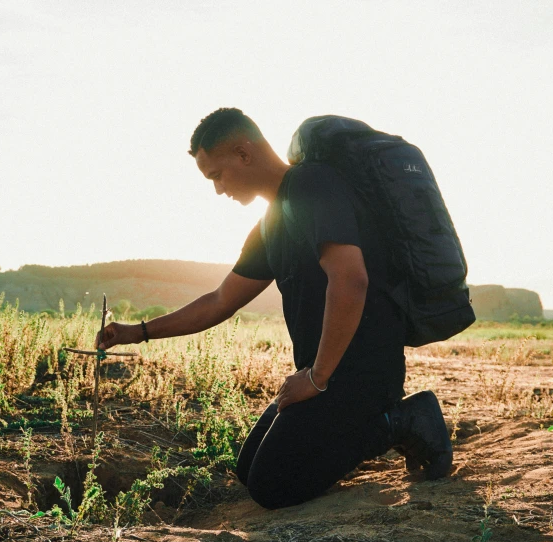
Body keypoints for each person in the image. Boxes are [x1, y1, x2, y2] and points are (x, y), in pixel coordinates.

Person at [98, 108, 453, 509]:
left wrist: (316, 378)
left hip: (359, 374)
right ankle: (364, 424)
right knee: (249, 468)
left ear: (244, 153)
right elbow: (220, 300)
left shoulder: (312, 185)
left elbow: (351, 280)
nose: (218, 190)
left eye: (217, 175)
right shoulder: (269, 224)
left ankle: (399, 422)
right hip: (326, 373)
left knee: (273, 485)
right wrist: (138, 331)